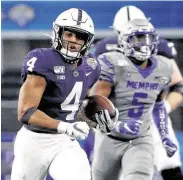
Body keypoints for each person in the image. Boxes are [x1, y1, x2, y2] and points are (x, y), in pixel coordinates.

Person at [91, 5, 183, 180]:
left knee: (168, 164)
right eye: (135, 37)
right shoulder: (105, 51)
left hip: (146, 118)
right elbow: (94, 99)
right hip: (114, 116)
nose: (142, 44)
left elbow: (178, 86)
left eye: (144, 36)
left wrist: (165, 108)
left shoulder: (162, 55)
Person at [10, 8, 101, 180]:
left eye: (80, 36)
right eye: (69, 34)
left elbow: (82, 107)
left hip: (64, 142)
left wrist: (97, 120)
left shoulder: (92, 66)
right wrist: (66, 126)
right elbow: (25, 112)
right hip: (34, 140)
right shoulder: (42, 60)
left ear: (88, 41)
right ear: (58, 33)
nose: (73, 41)